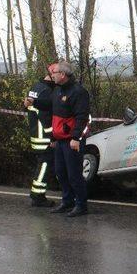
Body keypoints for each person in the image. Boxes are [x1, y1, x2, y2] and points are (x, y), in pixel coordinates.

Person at [25, 61, 91, 217]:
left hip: (72, 141)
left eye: (54, 73)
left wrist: (76, 138)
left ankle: (81, 205)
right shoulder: (57, 91)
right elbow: (48, 105)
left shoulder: (78, 92)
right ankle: (67, 201)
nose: (51, 76)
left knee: (74, 174)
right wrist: (33, 102)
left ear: (62, 75)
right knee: (61, 173)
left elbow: (82, 117)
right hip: (59, 140)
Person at [25, 68, 56, 207]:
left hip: (35, 135)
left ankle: (38, 195)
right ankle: (37, 196)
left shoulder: (36, 88)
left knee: (42, 165)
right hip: (44, 138)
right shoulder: (47, 92)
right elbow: (46, 117)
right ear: (51, 75)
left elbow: (27, 107)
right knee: (44, 166)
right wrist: (53, 136)